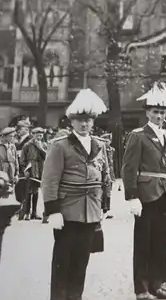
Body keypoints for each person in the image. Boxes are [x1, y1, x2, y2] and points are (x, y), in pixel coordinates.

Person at [42, 89, 111, 300]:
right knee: (63, 263)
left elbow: (105, 176)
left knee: (81, 263)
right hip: (67, 212)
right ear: (71, 122)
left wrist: (104, 206)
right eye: (80, 120)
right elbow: (50, 179)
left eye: (88, 120)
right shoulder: (60, 146)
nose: (84, 124)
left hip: (90, 212)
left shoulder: (100, 145)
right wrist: (52, 210)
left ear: (93, 122)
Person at [122, 82, 166, 300]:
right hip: (145, 195)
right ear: (147, 113)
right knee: (143, 243)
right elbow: (129, 168)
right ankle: (141, 289)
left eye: (162, 112)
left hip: (165, 195)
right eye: (155, 112)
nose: (159, 116)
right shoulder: (138, 135)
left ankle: (156, 285)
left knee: (161, 242)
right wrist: (132, 196)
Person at [19, 127, 47, 220]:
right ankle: (27, 212)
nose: (39, 137)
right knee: (28, 192)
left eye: (41, 135)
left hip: (39, 170)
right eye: (37, 135)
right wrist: (25, 170)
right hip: (30, 169)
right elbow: (22, 159)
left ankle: (34, 213)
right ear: (33, 135)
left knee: (36, 192)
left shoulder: (44, 145)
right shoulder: (27, 145)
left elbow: (47, 157)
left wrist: (41, 148)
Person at [0, 128, 19, 200]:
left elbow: (16, 161)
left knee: (10, 193)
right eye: (10, 136)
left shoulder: (12, 146)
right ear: (4, 136)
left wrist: (17, 173)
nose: (12, 138)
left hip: (11, 171)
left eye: (13, 136)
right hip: (2, 171)